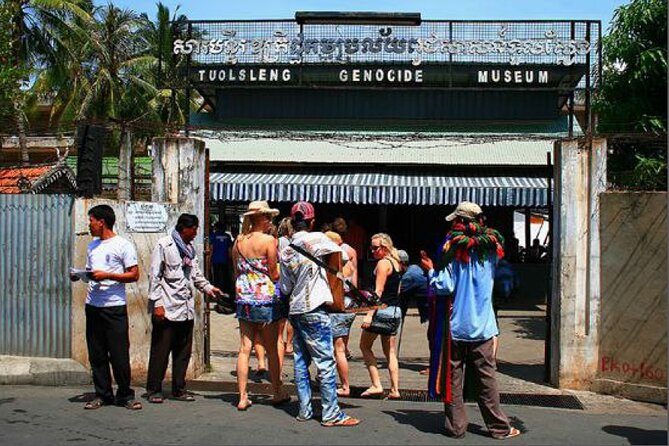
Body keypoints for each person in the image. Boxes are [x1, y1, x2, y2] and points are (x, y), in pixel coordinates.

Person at [420, 201, 521, 440]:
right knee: (487, 379)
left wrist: (431, 271)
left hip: (456, 326)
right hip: (484, 326)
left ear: (461, 223)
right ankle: (498, 428)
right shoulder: (491, 251)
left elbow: (445, 286)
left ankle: (456, 427)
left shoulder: (452, 251)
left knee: (453, 377)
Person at [280, 201, 360, 427]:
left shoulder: (286, 249)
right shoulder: (319, 239)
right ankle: (331, 414)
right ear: (312, 221)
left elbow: (285, 288)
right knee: (325, 361)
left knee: (300, 361)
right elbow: (343, 258)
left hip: (296, 310)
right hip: (315, 308)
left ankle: (304, 411)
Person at [146, 213, 224, 403]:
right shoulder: (165, 245)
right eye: (194, 229)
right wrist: (157, 304)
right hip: (167, 308)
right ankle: (154, 389)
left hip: (185, 309)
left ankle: (179, 389)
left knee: (183, 352)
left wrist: (209, 288)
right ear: (184, 228)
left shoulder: (190, 250)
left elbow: (196, 276)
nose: (196, 233)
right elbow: (155, 276)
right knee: (160, 352)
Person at [70, 204, 141, 410]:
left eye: (91, 221)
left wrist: (108, 275)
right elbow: (93, 274)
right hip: (93, 305)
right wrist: (81, 275)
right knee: (97, 353)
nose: (89, 225)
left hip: (114, 307)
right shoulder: (92, 246)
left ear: (102, 222)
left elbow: (134, 274)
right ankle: (103, 394)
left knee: (119, 353)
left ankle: (125, 395)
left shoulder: (123, 245)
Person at [232, 200, 289, 411]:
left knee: (244, 348)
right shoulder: (269, 241)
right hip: (265, 298)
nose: (270, 221)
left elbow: (236, 271)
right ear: (263, 218)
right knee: (272, 348)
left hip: (243, 297)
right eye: (269, 218)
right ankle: (277, 391)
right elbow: (274, 272)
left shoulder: (238, 241)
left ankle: (242, 396)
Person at [359, 233, 402, 400]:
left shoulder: (383, 263)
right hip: (394, 311)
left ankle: (377, 384)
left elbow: (378, 291)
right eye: (371, 247)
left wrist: (369, 314)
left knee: (364, 346)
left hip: (382, 310)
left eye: (376, 248)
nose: (373, 251)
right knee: (390, 352)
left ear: (385, 248)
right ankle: (394, 389)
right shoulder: (396, 263)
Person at [324, 231, 357, 397]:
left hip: (339, 308)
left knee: (338, 350)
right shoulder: (348, 263)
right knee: (342, 347)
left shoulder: (335, 264)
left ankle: (345, 385)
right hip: (350, 307)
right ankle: (343, 383)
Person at [397, 249, 431, 374]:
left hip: (431, 309)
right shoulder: (415, 268)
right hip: (431, 307)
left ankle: (435, 367)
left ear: (400, 263)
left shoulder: (408, 276)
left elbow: (400, 296)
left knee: (433, 338)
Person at [276, 217, 295, 356]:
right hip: (294, 279)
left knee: (282, 315)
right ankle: (289, 344)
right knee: (290, 316)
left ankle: (279, 340)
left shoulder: (280, 241)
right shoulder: (295, 241)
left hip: (282, 279)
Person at [209, 222, 233, 295]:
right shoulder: (227, 236)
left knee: (216, 276)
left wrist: (209, 260)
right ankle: (225, 291)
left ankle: (217, 290)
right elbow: (229, 250)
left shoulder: (213, 236)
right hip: (225, 260)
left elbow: (211, 249)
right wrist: (230, 260)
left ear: (216, 228)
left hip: (215, 259)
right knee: (225, 275)